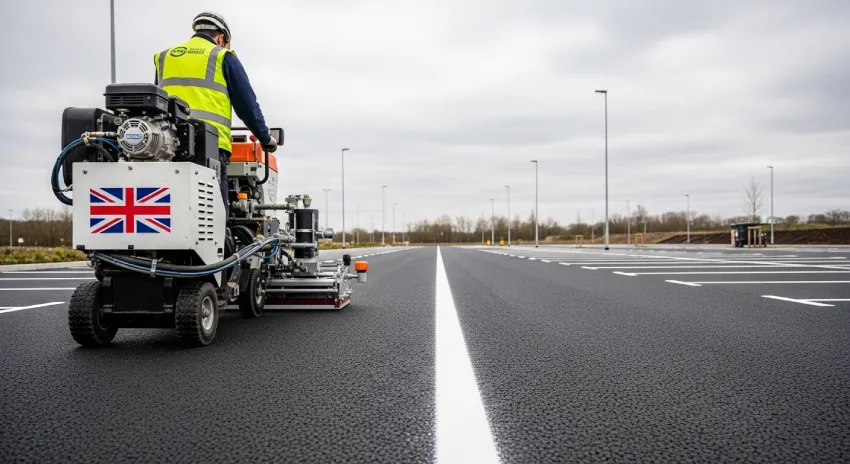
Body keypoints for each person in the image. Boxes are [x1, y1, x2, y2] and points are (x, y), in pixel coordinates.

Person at [153, 11, 277, 218]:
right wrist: (265, 138)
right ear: (221, 38)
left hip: (166, 145)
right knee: (213, 212)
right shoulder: (222, 57)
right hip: (209, 146)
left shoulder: (164, 57)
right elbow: (247, 105)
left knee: (171, 208)